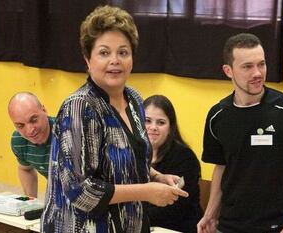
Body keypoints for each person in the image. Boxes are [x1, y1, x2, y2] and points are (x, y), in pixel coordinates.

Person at [41, 5, 188, 233]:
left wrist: (158, 178)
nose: (115, 60)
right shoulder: (80, 106)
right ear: (87, 60)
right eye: (104, 52)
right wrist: (147, 192)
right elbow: (80, 190)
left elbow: (128, 161)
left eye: (123, 52)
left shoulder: (135, 99)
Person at [197, 33, 283, 233]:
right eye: (247, 66)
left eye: (261, 64)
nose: (257, 73)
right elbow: (221, 167)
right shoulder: (217, 115)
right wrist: (211, 213)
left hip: (278, 226)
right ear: (228, 70)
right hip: (229, 225)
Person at [144, 95, 203, 233]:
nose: (153, 127)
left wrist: (134, 217)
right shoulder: (131, 153)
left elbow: (176, 210)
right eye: (147, 121)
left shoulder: (185, 158)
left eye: (161, 122)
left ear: (170, 127)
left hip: (177, 228)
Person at [8, 92, 54, 198]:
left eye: (33, 120)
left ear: (44, 111)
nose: (30, 131)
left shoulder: (66, 134)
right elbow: (25, 169)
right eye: (20, 125)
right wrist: (31, 203)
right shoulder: (19, 141)